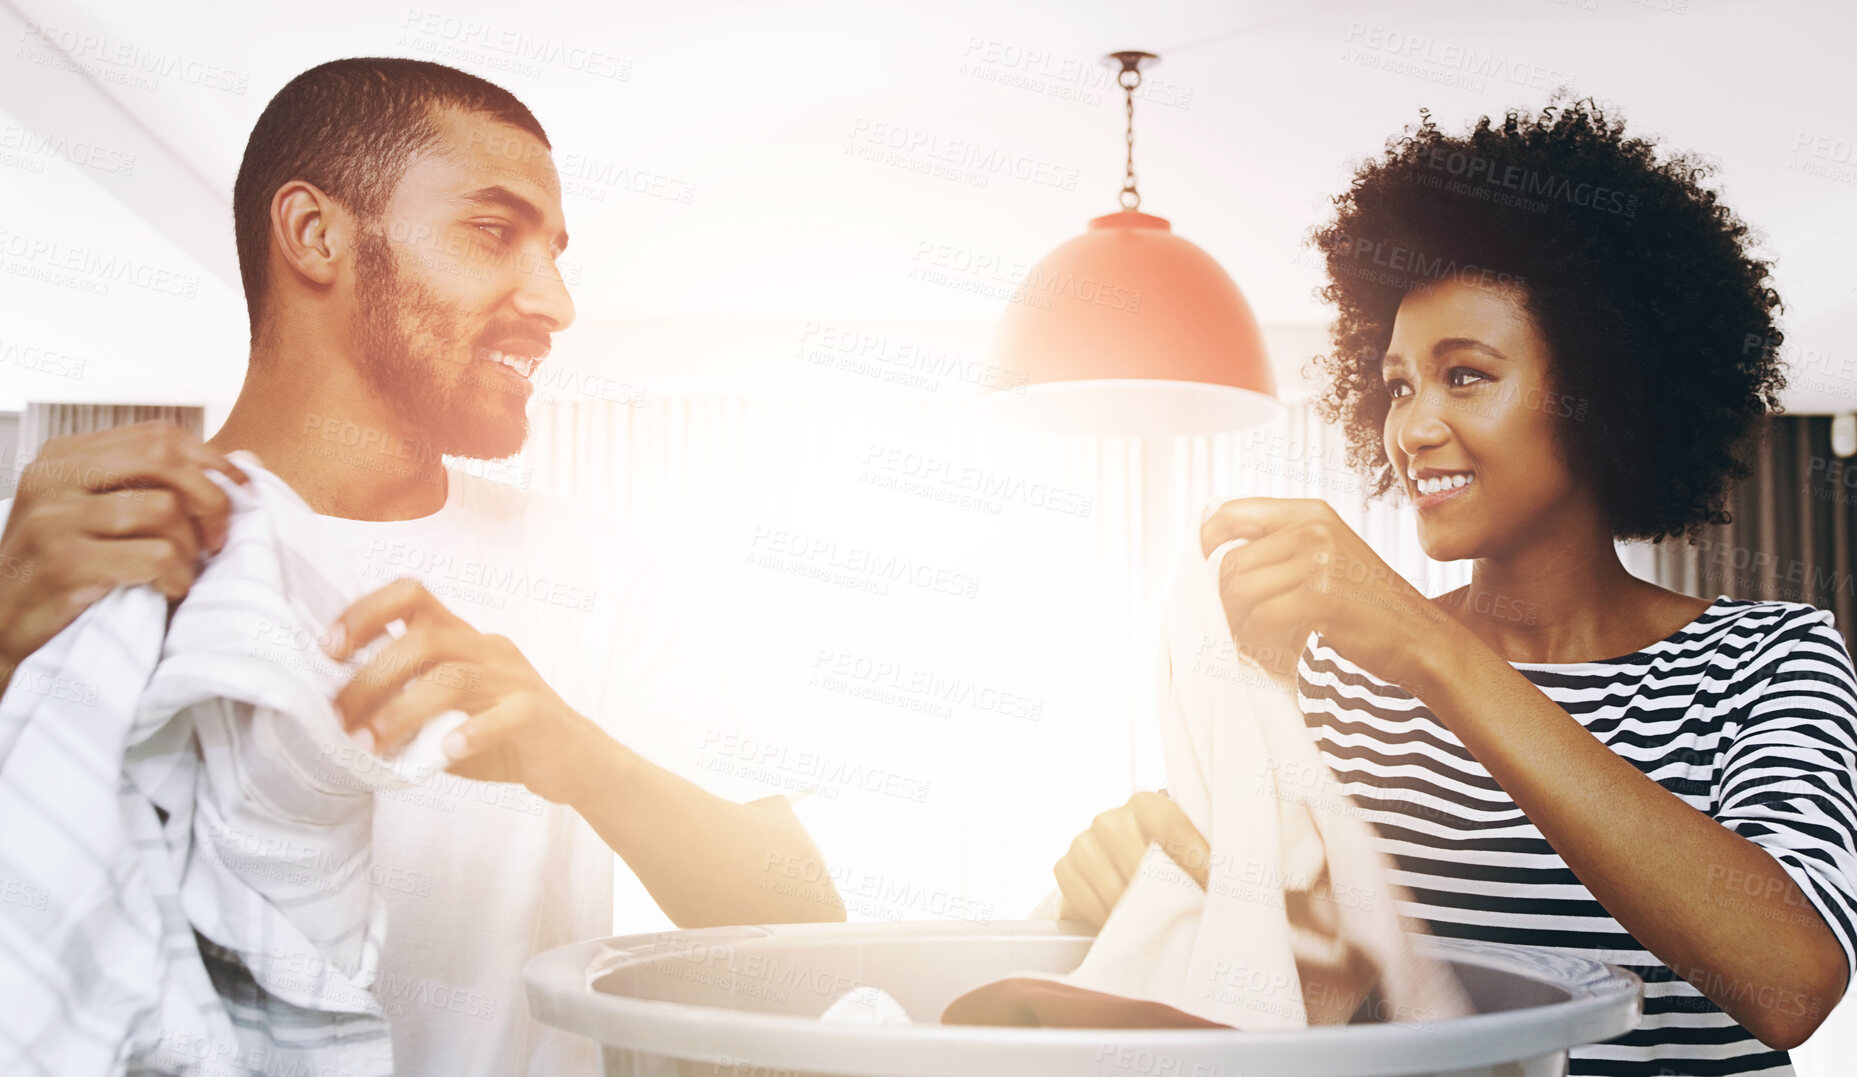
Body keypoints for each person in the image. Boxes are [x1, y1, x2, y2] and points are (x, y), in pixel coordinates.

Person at [0, 57, 842, 1076]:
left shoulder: (589, 569)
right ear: (315, 235)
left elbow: (811, 938)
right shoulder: (70, 553)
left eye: (557, 251)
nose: (557, 301)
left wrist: (581, 759)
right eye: (496, 232)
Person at [1054, 97, 1857, 1074]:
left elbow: (1793, 980)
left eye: (1465, 375)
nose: (1412, 428)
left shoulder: (1768, 660)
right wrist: (1172, 884)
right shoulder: (1344, 692)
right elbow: (1330, 1005)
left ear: (1603, 396)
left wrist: (1435, 652)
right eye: (1397, 385)